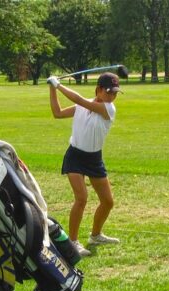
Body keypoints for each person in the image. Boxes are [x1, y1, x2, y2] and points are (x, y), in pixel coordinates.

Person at [47, 72, 121, 256]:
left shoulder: (108, 109)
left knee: (108, 202)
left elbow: (80, 100)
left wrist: (58, 85)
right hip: (75, 156)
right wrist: (52, 89)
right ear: (99, 89)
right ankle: (72, 242)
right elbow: (57, 113)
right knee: (81, 198)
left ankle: (95, 235)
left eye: (115, 93)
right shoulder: (83, 105)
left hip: (94, 159)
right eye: (109, 92)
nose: (112, 96)